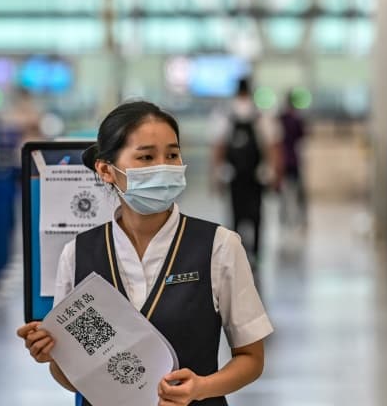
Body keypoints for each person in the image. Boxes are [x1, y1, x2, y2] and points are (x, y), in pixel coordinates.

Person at [17, 101, 273, 406]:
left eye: (172, 154)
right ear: (106, 169)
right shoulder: (78, 255)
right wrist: (51, 357)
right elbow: (73, 376)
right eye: (146, 156)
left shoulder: (219, 246)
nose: (163, 165)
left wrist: (201, 388)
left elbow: (251, 358)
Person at [210, 78, 281, 263]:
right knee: (257, 215)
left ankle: (237, 254)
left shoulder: (225, 113)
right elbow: (271, 145)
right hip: (256, 175)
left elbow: (218, 146)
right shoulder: (261, 114)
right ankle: (256, 254)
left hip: (234, 175)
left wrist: (216, 174)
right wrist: (272, 171)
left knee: (235, 215)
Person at [278, 89, 309, 228]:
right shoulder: (296, 119)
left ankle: (285, 217)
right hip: (292, 160)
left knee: (285, 191)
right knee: (297, 191)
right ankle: (299, 217)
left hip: (283, 160)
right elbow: (302, 136)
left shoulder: (281, 119)